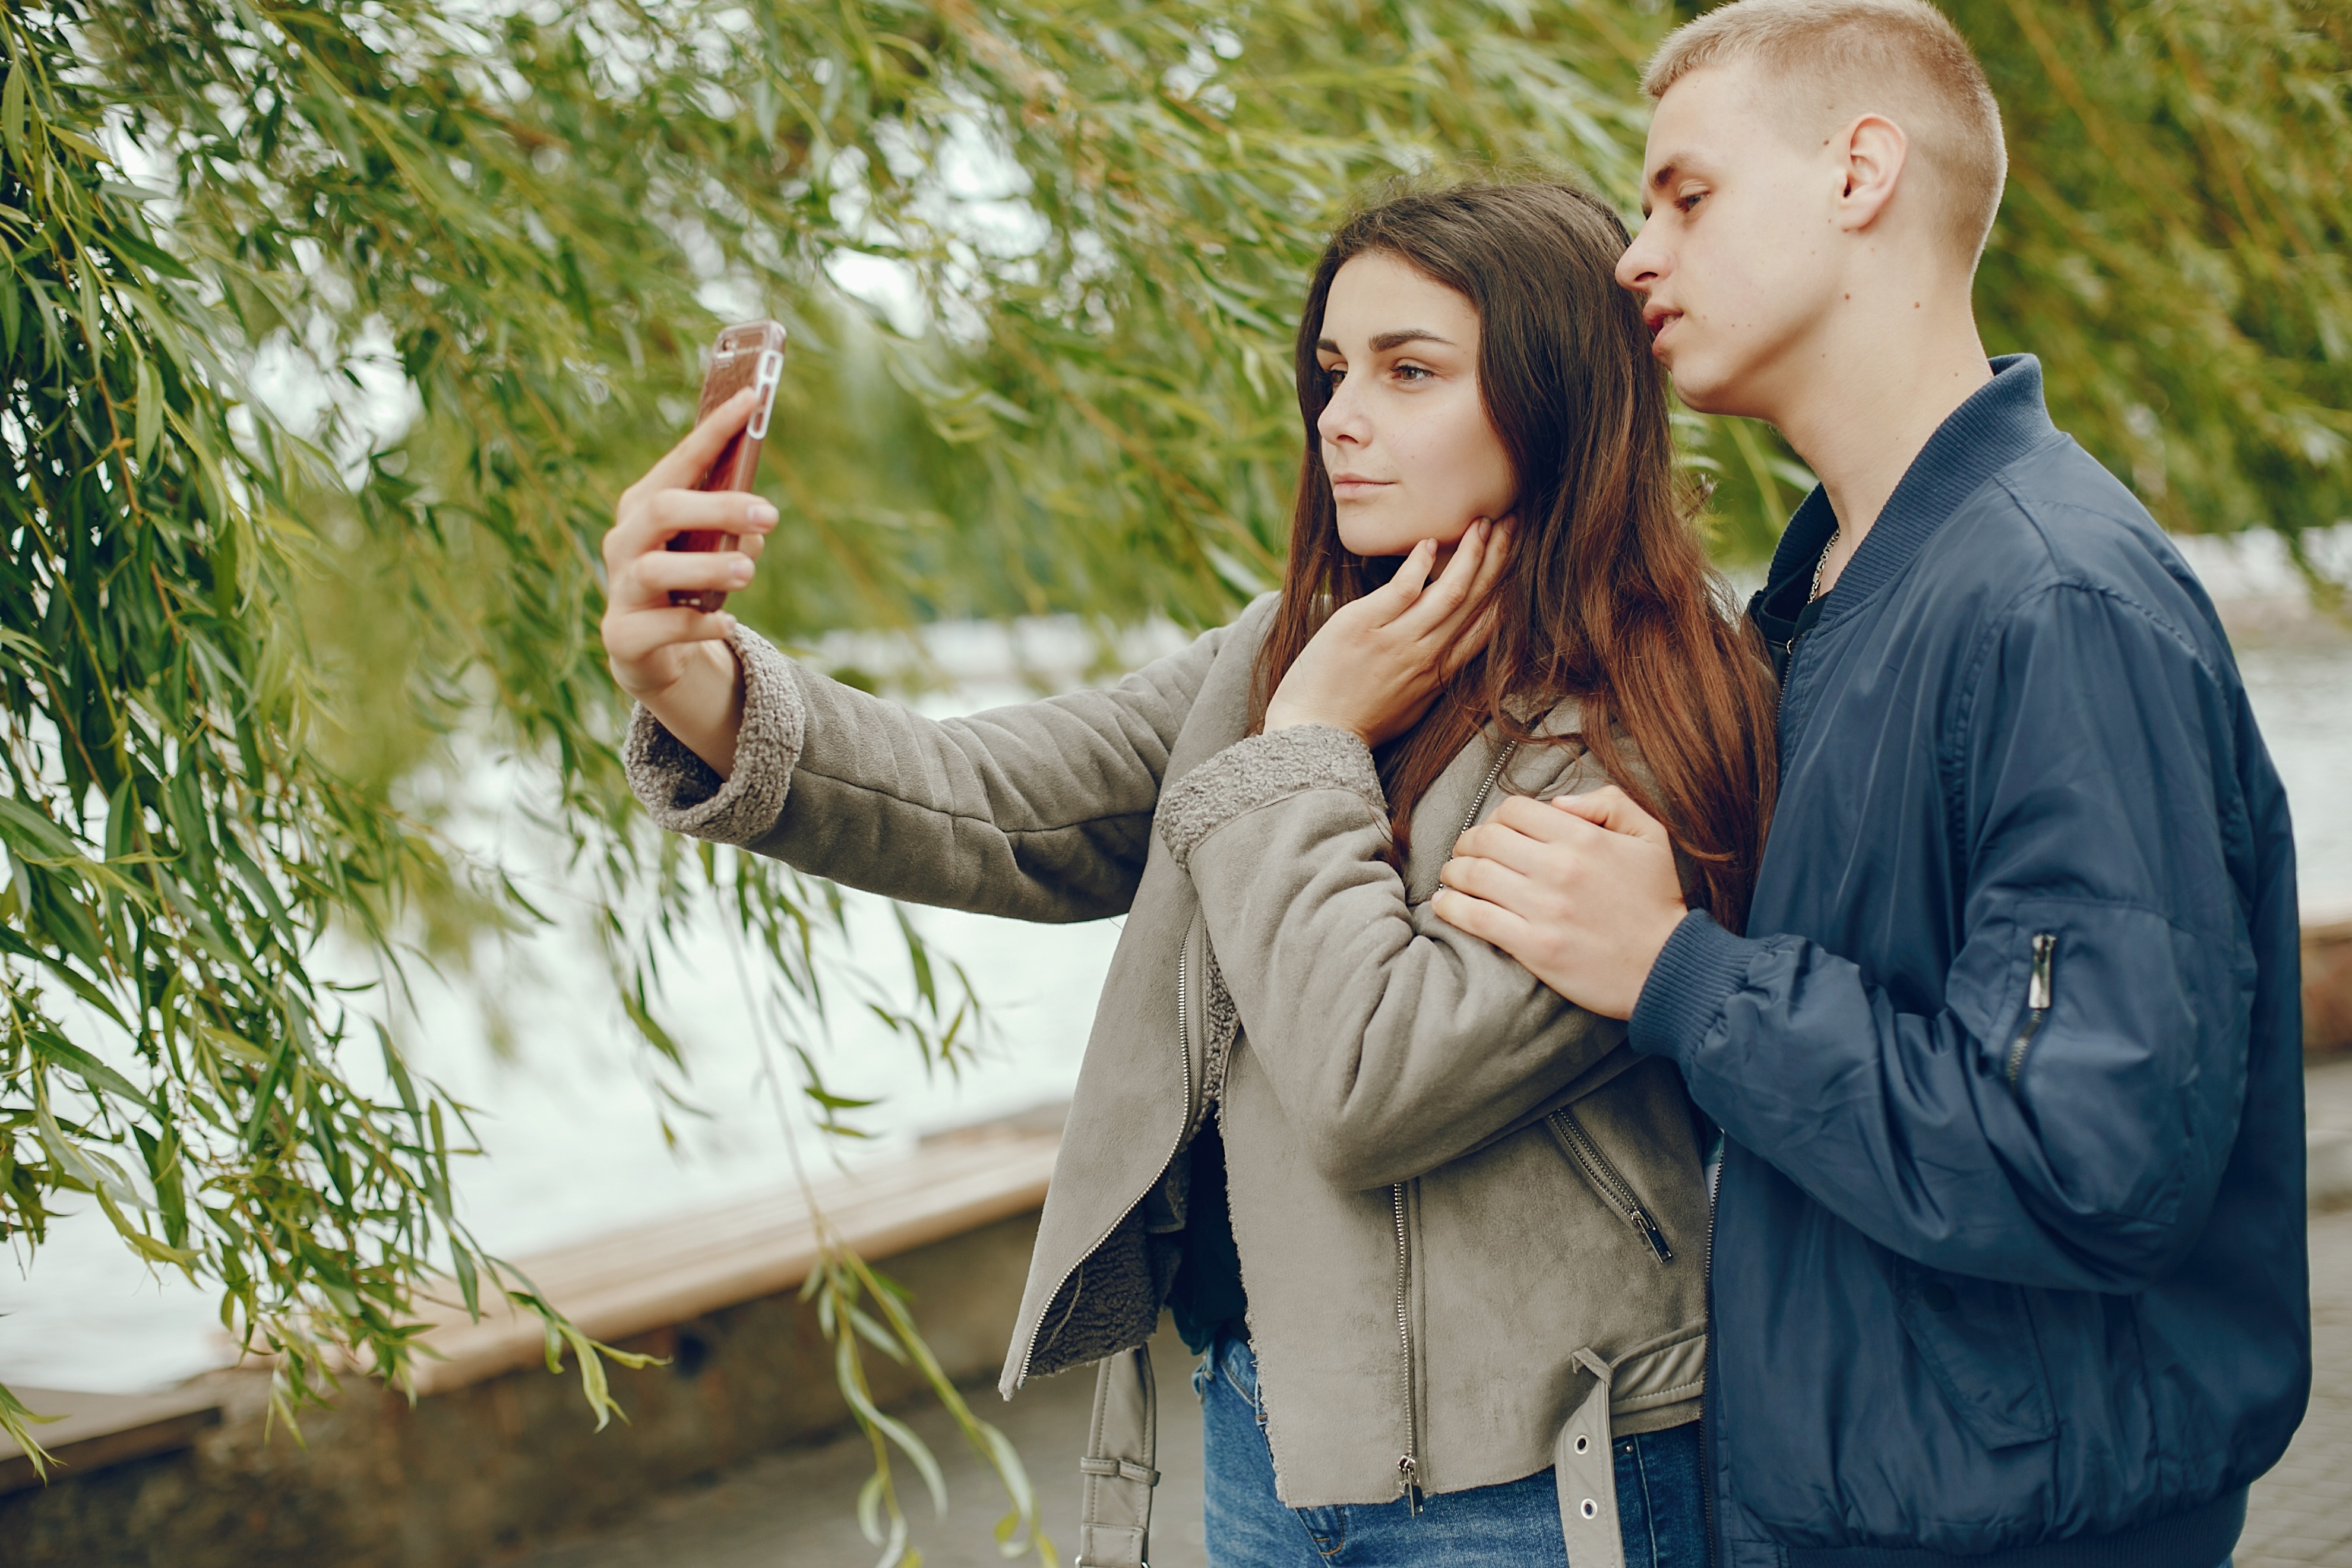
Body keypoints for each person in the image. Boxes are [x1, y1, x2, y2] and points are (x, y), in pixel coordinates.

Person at [601, 182, 1780, 1567]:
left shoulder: (1659, 708)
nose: (1341, 418)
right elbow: (997, 802)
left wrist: (1310, 746)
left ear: (1565, 393)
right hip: (1262, 1431)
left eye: (1411, 373)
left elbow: (1378, 1080)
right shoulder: (1294, 648)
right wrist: (702, 688)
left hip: (1534, 1471)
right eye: (1333, 371)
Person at [1416, 6, 2309, 1568]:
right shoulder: (1829, 602)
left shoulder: (2051, 602)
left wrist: (1679, 973)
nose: (1637, 254)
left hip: (2024, 1527)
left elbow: (2083, 1162)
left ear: (1861, 173)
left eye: (1686, 197)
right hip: (1850, 1501)